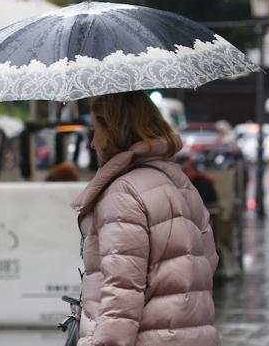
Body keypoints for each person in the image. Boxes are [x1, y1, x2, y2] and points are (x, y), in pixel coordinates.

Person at [71, 91, 219, 346]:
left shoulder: (122, 193)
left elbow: (120, 294)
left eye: (96, 130)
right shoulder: (179, 182)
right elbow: (207, 261)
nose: (93, 142)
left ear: (115, 130)